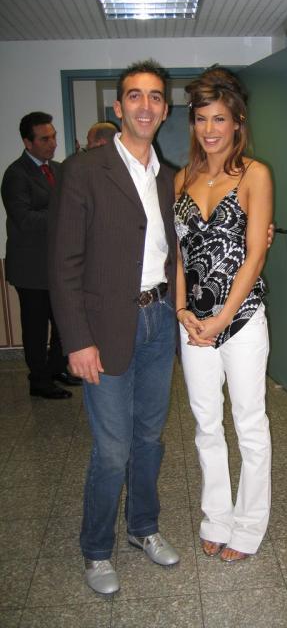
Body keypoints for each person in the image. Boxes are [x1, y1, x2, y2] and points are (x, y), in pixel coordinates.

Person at [49, 59, 180, 595]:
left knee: (149, 438)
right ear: (119, 107)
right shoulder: (84, 170)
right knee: (113, 449)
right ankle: (96, 549)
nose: (145, 105)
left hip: (158, 322)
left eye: (155, 97)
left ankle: (143, 527)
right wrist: (77, 340)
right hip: (104, 328)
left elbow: (177, 247)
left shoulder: (168, 177)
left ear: (165, 110)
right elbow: (64, 263)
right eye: (135, 96)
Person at [174, 67, 273, 562]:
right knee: (206, 425)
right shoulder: (181, 178)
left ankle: (250, 526)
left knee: (249, 424)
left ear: (237, 122)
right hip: (193, 323)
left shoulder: (255, 174)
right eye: (201, 119)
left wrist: (221, 320)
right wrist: (181, 309)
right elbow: (179, 256)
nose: (209, 129)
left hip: (242, 320)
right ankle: (216, 517)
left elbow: (255, 256)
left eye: (219, 118)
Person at [1, 111, 80, 399]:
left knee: (62, 322)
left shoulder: (58, 170)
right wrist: (63, 213)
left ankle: (57, 368)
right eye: (45, 139)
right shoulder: (16, 175)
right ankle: (39, 380)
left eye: (54, 137)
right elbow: (25, 219)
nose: (53, 143)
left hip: (58, 266)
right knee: (35, 329)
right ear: (28, 142)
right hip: (31, 269)